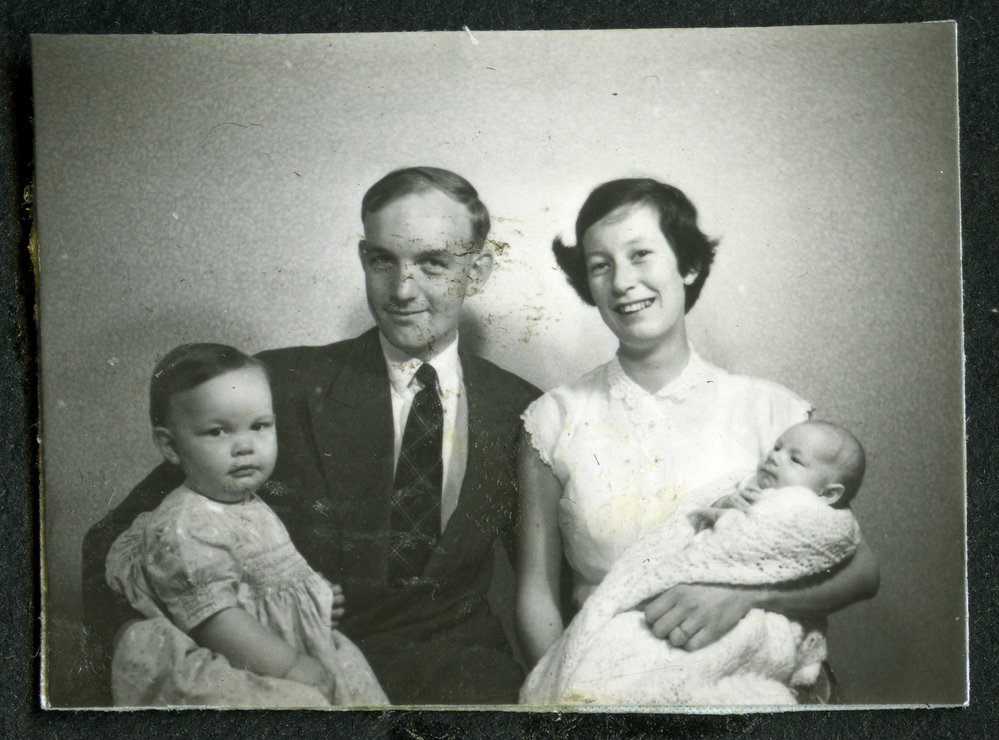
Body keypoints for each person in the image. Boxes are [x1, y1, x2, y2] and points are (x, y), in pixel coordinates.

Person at [82, 167, 540, 705]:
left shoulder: (522, 410)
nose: (402, 290)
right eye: (382, 260)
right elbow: (117, 540)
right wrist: (150, 654)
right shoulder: (278, 385)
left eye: (433, 263)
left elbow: (549, 581)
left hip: (459, 673)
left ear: (479, 270)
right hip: (295, 671)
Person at [515, 177, 879, 704]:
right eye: (600, 265)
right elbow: (537, 594)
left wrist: (742, 596)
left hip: (742, 681)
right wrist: (567, 699)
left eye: (641, 255)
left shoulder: (774, 412)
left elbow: (862, 569)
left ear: (687, 266)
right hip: (606, 682)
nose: (622, 282)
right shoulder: (552, 419)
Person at [105, 344, 388, 707]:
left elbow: (264, 578)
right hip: (244, 657)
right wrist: (290, 667)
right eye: (217, 432)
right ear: (171, 445)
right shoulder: (185, 525)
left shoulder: (246, 501)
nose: (244, 446)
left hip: (272, 643)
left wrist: (313, 597)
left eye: (259, 426)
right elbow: (215, 620)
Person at [521, 420, 867, 705]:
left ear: (829, 494)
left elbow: (845, 560)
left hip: (751, 621)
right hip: (637, 611)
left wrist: (744, 594)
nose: (775, 458)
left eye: (795, 459)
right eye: (777, 448)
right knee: (619, 662)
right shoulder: (556, 417)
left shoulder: (809, 508)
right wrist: (727, 505)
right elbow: (697, 522)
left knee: (700, 676)